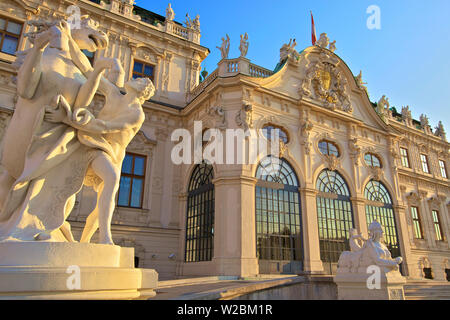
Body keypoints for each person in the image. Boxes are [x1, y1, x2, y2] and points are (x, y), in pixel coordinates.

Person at [45, 58, 155, 244]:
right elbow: (89, 71)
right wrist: (98, 64)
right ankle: (101, 236)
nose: (134, 76)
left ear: (143, 91)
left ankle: (86, 241)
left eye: (140, 79)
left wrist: (68, 119)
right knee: (79, 186)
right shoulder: (113, 93)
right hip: (95, 144)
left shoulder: (137, 114)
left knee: (101, 205)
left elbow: (106, 127)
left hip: (112, 154)